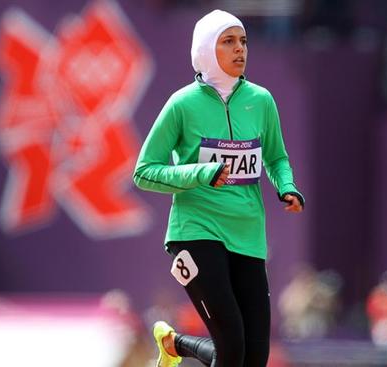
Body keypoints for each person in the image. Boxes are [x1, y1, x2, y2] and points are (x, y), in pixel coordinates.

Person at [133, 9, 304, 367]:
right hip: (196, 231)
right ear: (206, 50)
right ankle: (177, 344)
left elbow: (276, 158)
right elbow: (144, 171)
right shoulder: (182, 104)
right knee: (231, 346)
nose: (240, 49)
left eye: (243, 41)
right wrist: (199, 173)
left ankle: (175, 344)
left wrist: (286, 186)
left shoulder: (261, 101)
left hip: (248, 234)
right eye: (228, 41)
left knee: (253, 356)